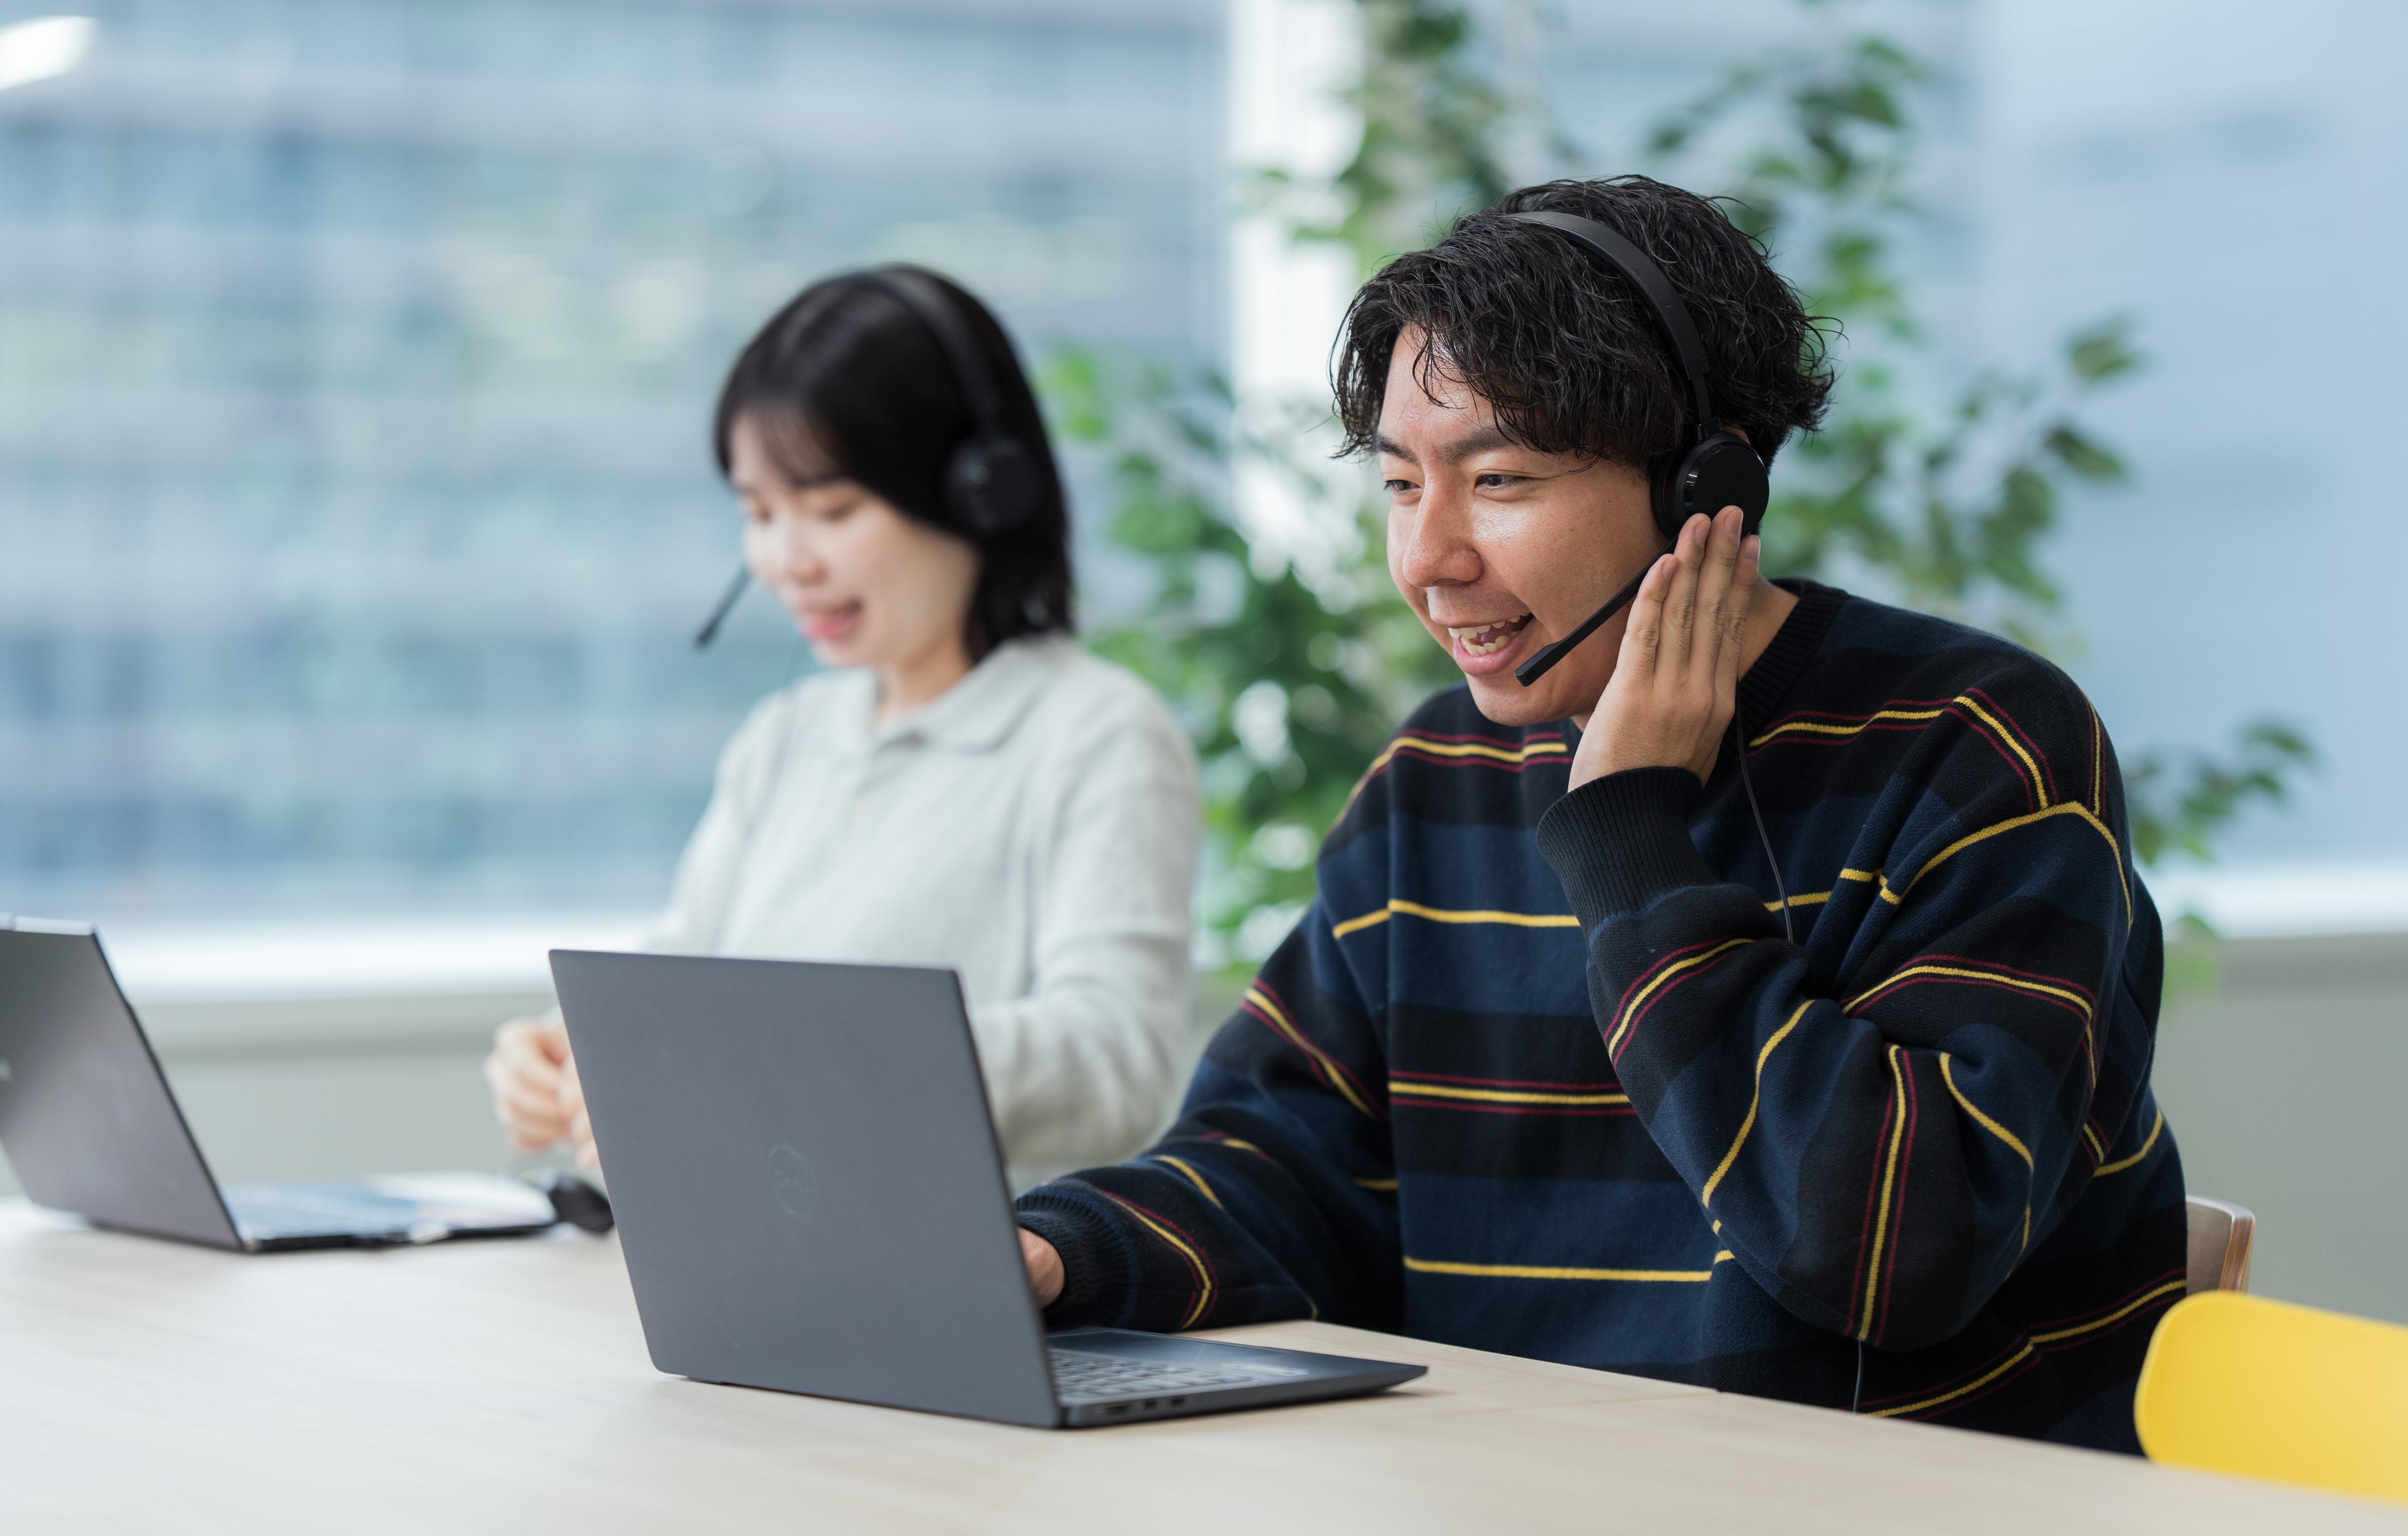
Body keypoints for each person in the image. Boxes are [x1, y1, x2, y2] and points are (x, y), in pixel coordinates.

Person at [1010, 177, 2187, 1451]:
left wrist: (1629, 841)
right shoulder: (1435, 779)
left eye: (1499, 478)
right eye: (1403, 485)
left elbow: (1894, 1250)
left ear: (1707, 489)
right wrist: (1048, 1250)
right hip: (1521, 1520)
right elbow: (1283, 1172)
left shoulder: (1973, 748)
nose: (1428, 558)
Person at [483, 267, 1201, 1181]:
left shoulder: (1096, 735)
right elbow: (679, 983)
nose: (786, 561)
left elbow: (1116, 1065)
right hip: (740, 1250)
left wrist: (799, 1059)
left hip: (955, 1286)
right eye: (758, 513)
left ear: (977, 490)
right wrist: (572, 1049)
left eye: (831, 510)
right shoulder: (784, 736)